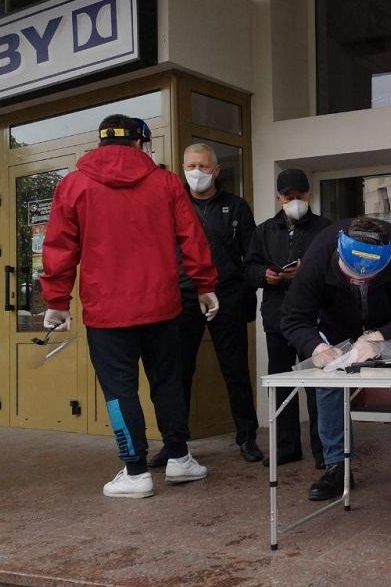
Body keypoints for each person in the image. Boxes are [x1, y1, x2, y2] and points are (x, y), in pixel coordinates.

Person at [40, 115, 218, 498]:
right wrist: (205, 285)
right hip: (162, 305)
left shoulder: (74, 185)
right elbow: (192, 237)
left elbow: (59, 246)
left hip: (106, 312)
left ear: (101, 141)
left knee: (119, 390)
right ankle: (179, 457)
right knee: (168, 381)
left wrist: (56, 300)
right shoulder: (166, 182)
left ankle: (136, 471)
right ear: (140, 142)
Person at [280, 216, 391, 501]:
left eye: (367, 277)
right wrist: (316, 347)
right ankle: (336, 466)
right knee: (329, 381)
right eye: (351, 274)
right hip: (338, 327)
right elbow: (293, 317)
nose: (358, 281)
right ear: (339, 253)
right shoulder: (320, 253)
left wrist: (380, 337)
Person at [148, 143, 262, 467]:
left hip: (226, 297)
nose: (196, 172)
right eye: (191, 165)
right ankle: (175, 444)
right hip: (183, 298)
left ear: (216, 170)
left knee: (236, 371)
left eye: (203, 166)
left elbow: (251, 254)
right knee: (178, 373)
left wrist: (243, 295)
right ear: (182, 168)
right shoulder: (171, 204)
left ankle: (247, 437)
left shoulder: (236, 207)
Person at [245, 168, 331, 468]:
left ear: (309, 195)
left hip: (315, 320)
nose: (294, 201)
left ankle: (325, 451)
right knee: (282, 384)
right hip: (277, 318)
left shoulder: (326, 229)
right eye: (287, 197)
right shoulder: (264, 231)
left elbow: (337, 266)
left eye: (299, 196)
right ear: (278, 198)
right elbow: (249, 268)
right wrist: (264, 275)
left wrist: (307, 271)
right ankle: (286, 447)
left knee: (319, 385)